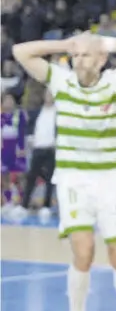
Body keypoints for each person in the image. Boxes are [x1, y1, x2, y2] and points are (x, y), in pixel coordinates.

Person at [12, 33, 116, 311]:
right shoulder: (61, 80)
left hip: (109, 179)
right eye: (76, 55)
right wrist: (66, 44)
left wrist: (109, 43)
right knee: (83, 251)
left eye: (86, 55)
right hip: (74, 179)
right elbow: (20, 51)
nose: (78, 59)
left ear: (100, 60)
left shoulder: (115, 82)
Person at [10, 88, 57, 224]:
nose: (49, 96)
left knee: (49, 179)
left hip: (51, 148)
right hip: (38, 148)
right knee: (31, 177)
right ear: (43, 96)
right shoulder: (37, 112)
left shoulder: (58, 113)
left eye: (51, 94)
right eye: (47, 93)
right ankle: (24, 205)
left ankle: (46, 206)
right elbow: (30, 127)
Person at [1, 92, 26, 215]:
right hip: (4, 148)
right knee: (4, 177)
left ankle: (21, 203)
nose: (8, 102)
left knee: (19, 177)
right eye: (6, 100)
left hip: (16, 148)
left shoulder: (19, 114)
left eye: (11, 100)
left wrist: (21, 147)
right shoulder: (1, 116)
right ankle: (8, 202)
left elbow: (22, 131)